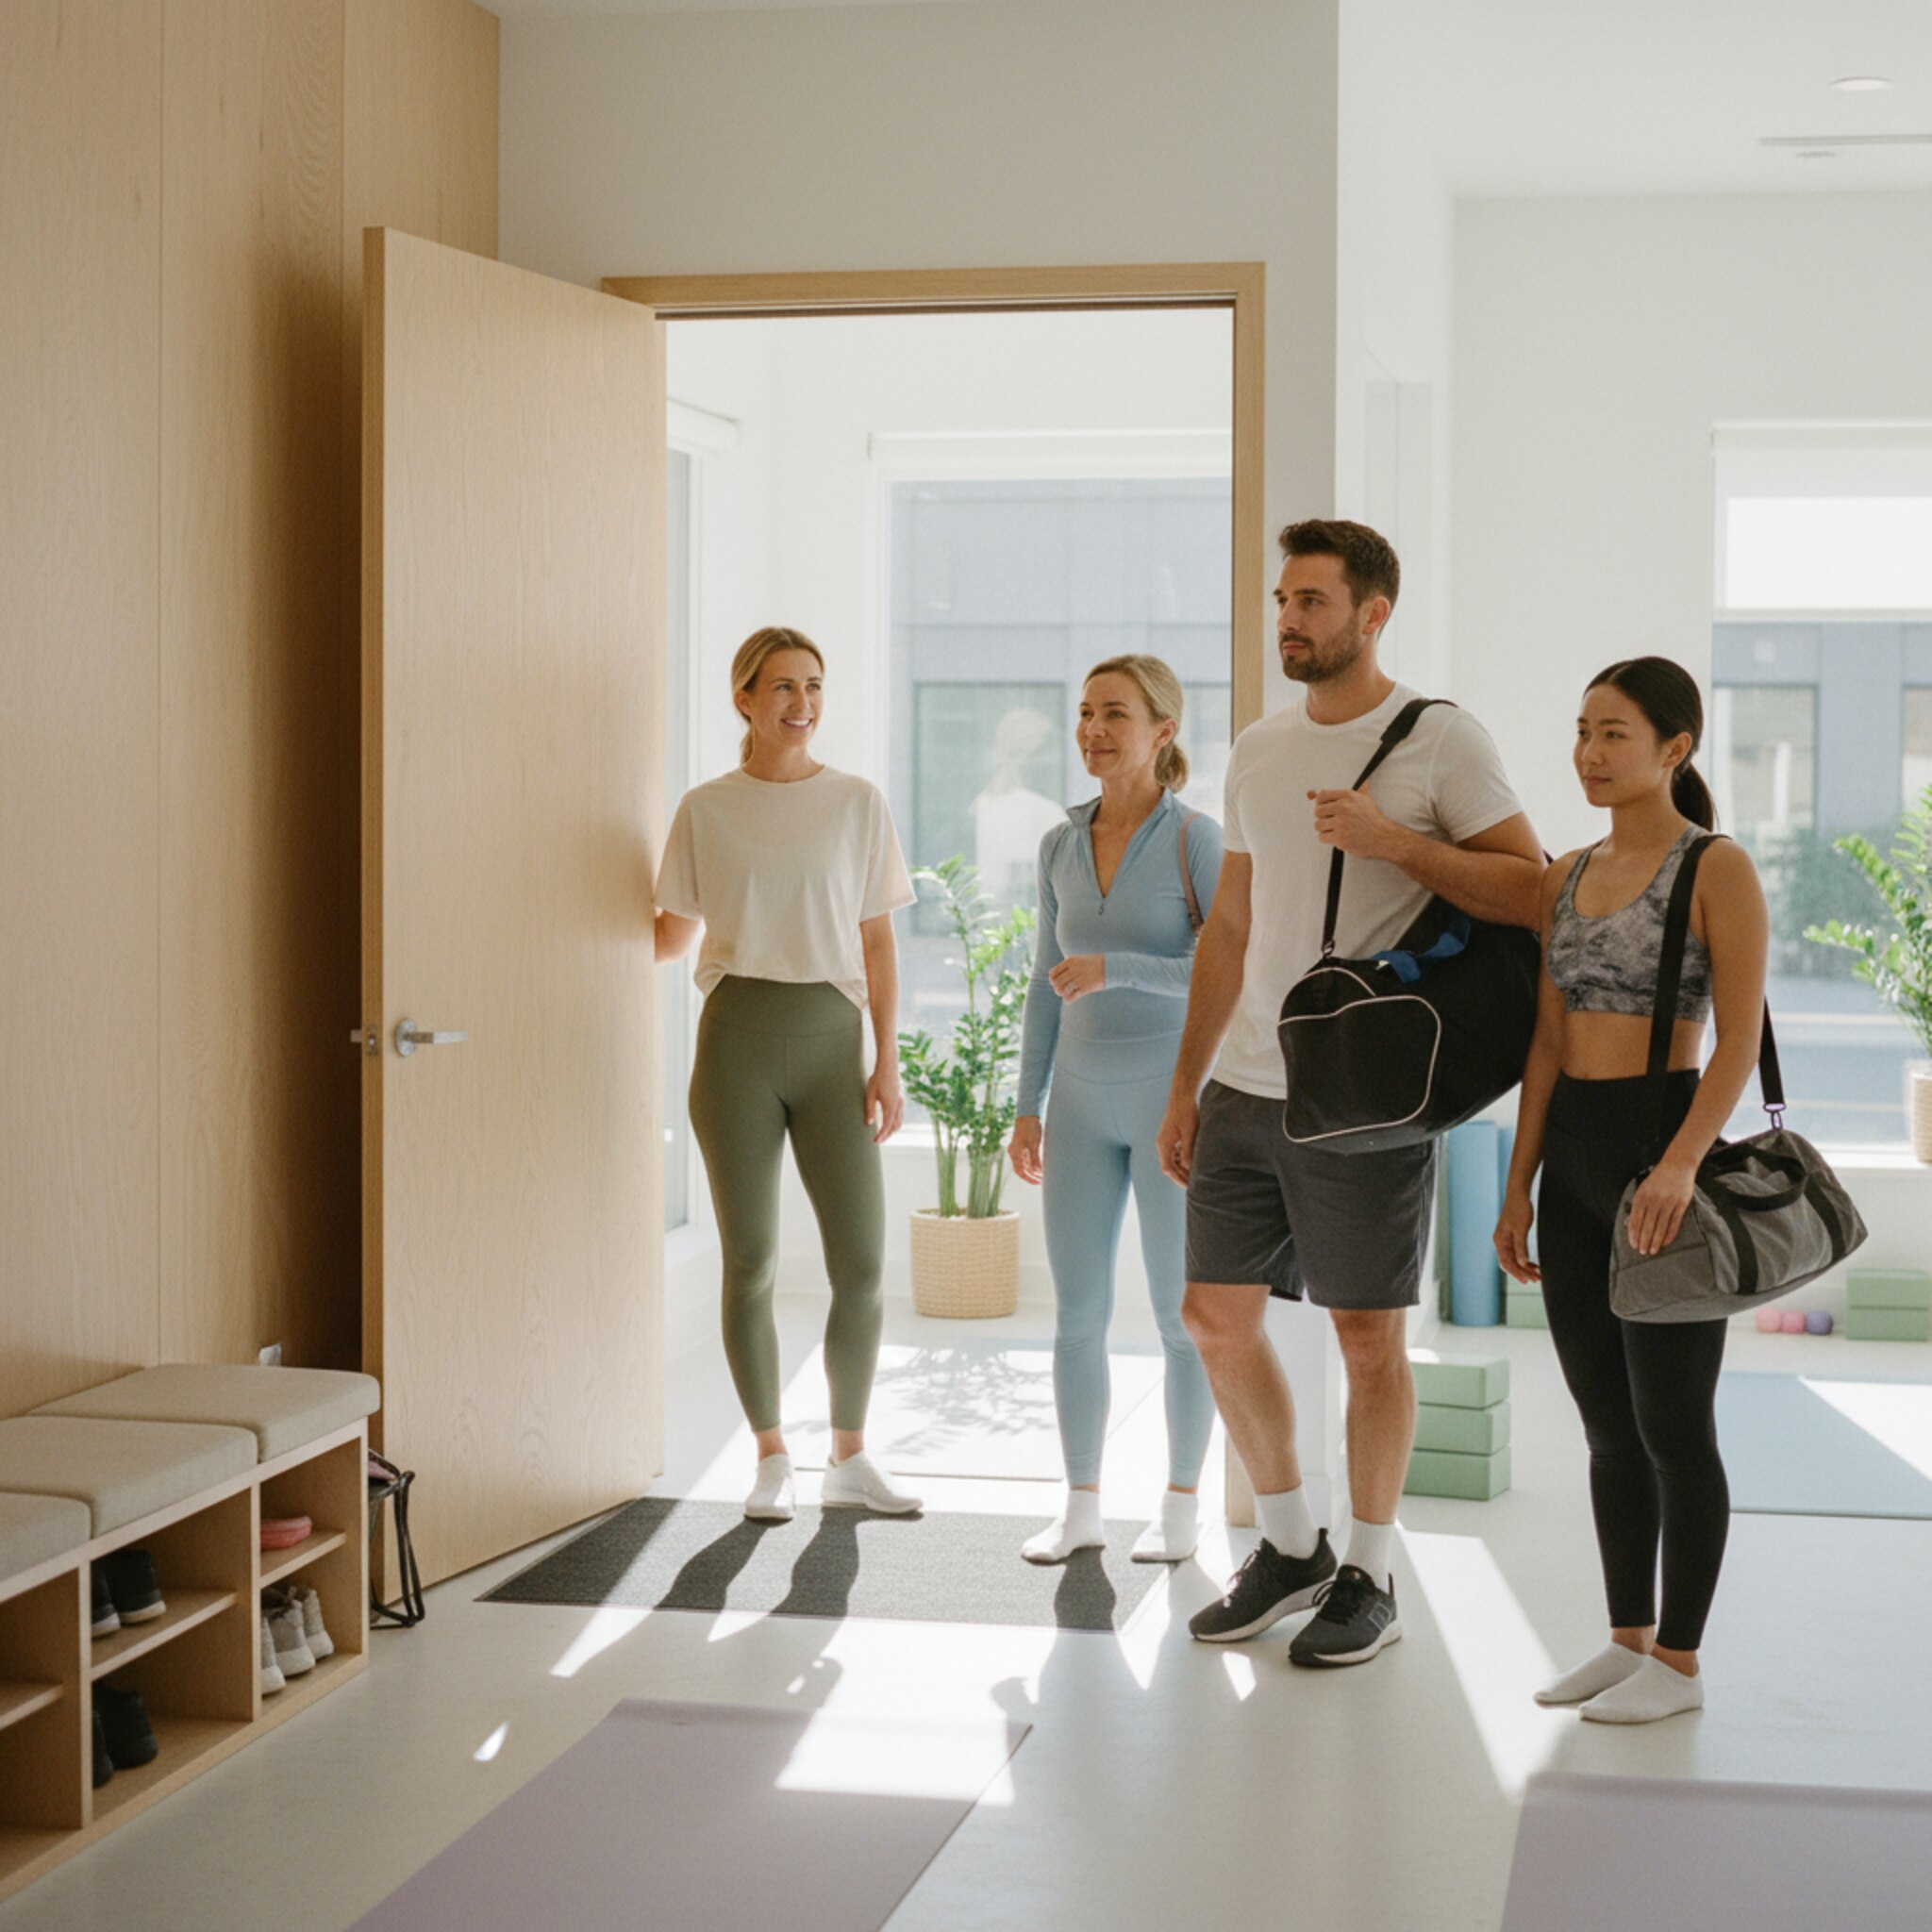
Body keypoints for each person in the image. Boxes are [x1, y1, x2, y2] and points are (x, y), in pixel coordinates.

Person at [1158, 519, 1543, 1665]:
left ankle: (1370, 1572)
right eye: (1282, 599)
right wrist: (1184, 1083)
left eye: (1311, 601)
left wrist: (1395, 843)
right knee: (1213, 1317)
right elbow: (1231, 924)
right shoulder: (1258, 746)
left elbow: (1531, 890)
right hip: (1244, 1084)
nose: (1287, 618)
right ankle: (1290, 1547)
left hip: (1363, 1093)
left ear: (1371, 615)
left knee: (1367, 1336)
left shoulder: (1440, 740)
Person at [1494, 658, 1767, 1724]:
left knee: (1674, 1425)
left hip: (1662, 1147)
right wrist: (1517, 1185)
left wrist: (1681, 1163)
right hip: (1572, 1158)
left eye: (1613, 733)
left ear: (1673, 747)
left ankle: (1681, 1664)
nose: (1589, 752)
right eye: (1581, 731)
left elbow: (1736, 1040)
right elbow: (1545, 1040)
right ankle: (1625, 1640)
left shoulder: (1715, 868)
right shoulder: (1563, 873)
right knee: (1605, 1425)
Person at [654, 626, 921, 1523]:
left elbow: (878, 942)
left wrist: (887, 1061)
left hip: (832, 1043)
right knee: (752, 1262)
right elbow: (670, 935)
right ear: (744, 698)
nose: (802, 703)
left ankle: (849, 1456)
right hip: (737, 1044)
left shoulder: (857, 802)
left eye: (813, 686)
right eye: (781, 687)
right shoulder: (706, 808)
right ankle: (772, 1457)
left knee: (862, 1265)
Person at [1008, 657, 1224, 1566]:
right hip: (1080, 1102)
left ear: (1163, 730)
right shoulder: (1058, 845)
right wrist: (1027, 1104)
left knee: (1182, 1317)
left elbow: (1224, 970)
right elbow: (1043, 983)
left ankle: (1181, 1504)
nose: (1094, 730)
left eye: (1116, 715)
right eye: (1086, 713)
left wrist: (1116, 968)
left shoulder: (1196, 841)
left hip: (1170, 1102)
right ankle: (1082, 1506)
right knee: (1077, 1316)